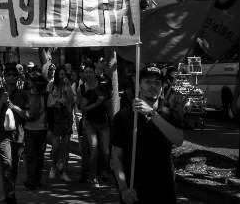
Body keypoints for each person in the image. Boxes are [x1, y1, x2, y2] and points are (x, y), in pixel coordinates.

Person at [111, 65, 184, 204]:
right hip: (135, 192)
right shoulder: (123, 116)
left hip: (164, 190)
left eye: (157, 83)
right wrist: (123, 188)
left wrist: (152, 113)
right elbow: (116, 155)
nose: (153, 86)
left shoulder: (168, 114)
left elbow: (178, 139)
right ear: (139, 85)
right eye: (148, 82)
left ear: (162, 87)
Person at [0, 64, 26, 204]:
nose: (11, 77)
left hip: (18, 135)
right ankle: (10, 195)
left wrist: (13, 106)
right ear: (4, 77)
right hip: (2, 135)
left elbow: (27, 115)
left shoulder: (22, 94)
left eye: (14, 75)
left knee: (14, 167)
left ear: (17, 78)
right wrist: (1, 101)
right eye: (8, 75)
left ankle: (10, 190)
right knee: (7, 164)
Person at [78, 63, 111, 187]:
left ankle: (102, 172)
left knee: (106, 151)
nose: (88, 74)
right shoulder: (83, 88)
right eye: (86, 72)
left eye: (90, 71)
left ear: (94, 72)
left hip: (104, 122)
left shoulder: (103, 85)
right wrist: (97, 103)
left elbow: (108, 103)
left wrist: (112, 119)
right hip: (89, 123)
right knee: (93, 149)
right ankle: (92, 177)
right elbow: (81, 107)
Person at [19, 71, 47, 190]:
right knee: (34, 155)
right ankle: (33, 180)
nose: (27, 81)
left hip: (39, 129)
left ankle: (34, 180)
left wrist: (16, 109)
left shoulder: (43, 95)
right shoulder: (27, 94)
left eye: (30, 80)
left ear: (35, 82)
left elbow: (31, 115)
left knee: (35, 156)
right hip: (32, 129)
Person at [47, 67, 75, 181]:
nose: (62, 76)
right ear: (57, 75)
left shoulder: (68, 86)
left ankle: (64, 171)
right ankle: (53, 167)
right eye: (60, 74)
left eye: (64, 74)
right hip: (56, 118)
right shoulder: (52, 86)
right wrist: (57, 101)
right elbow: (49, 103)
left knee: (66, 145)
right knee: (56, 146)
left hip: (67, 118)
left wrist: (68, 87)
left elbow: (72, 101)